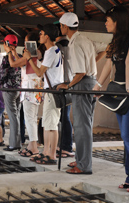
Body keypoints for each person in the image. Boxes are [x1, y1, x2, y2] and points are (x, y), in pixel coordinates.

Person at [93, 6, 129, 191]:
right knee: (126, 137)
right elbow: (109, 63)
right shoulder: (117, 38)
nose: (105, 23)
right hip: (121, 92)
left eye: (108, 20)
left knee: (128, 135)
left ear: (118, 21)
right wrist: (98, 85)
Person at [56, 12, 97, 174]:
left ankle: (84, 165)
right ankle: (81, 159)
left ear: (65, 26)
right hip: (89, 82)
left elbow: (79, 73)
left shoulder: (75, 44)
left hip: (82, 84)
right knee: (84, 124)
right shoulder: (85, 39)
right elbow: (102, 51)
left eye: (61, 26)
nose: (60, 28)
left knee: (81, 126)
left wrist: (67, 85)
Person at [24, 24, 63, 164]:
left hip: (52, 91)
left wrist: (29, 58)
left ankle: (51, 155)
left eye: (41, 33)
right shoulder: (53, 50)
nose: (39, 36)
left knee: (51, 125)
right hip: (51, 90)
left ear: (47, 36)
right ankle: (46, 152)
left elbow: (40, 73)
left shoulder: (51, 51)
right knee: (47, 124)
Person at [7, 32, 42, 157]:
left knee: (30, 118)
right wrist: (15, 53)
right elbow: (21, 63)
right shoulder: (36, 54)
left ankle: (33, 145)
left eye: (27, 41)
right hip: (34, 88)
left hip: (30, 89)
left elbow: (13, 64)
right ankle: (32, 144)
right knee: (31, 117)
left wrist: (9, 53)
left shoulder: (33, 54)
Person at [0, 34, 22, 151]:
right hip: (19, 89)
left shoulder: (7, 58)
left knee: (13, 116)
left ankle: (13, 144)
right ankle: (17, 142)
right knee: (17, 116)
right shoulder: (19, 56)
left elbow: (2, 74)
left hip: (8, 89)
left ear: (7, 44)